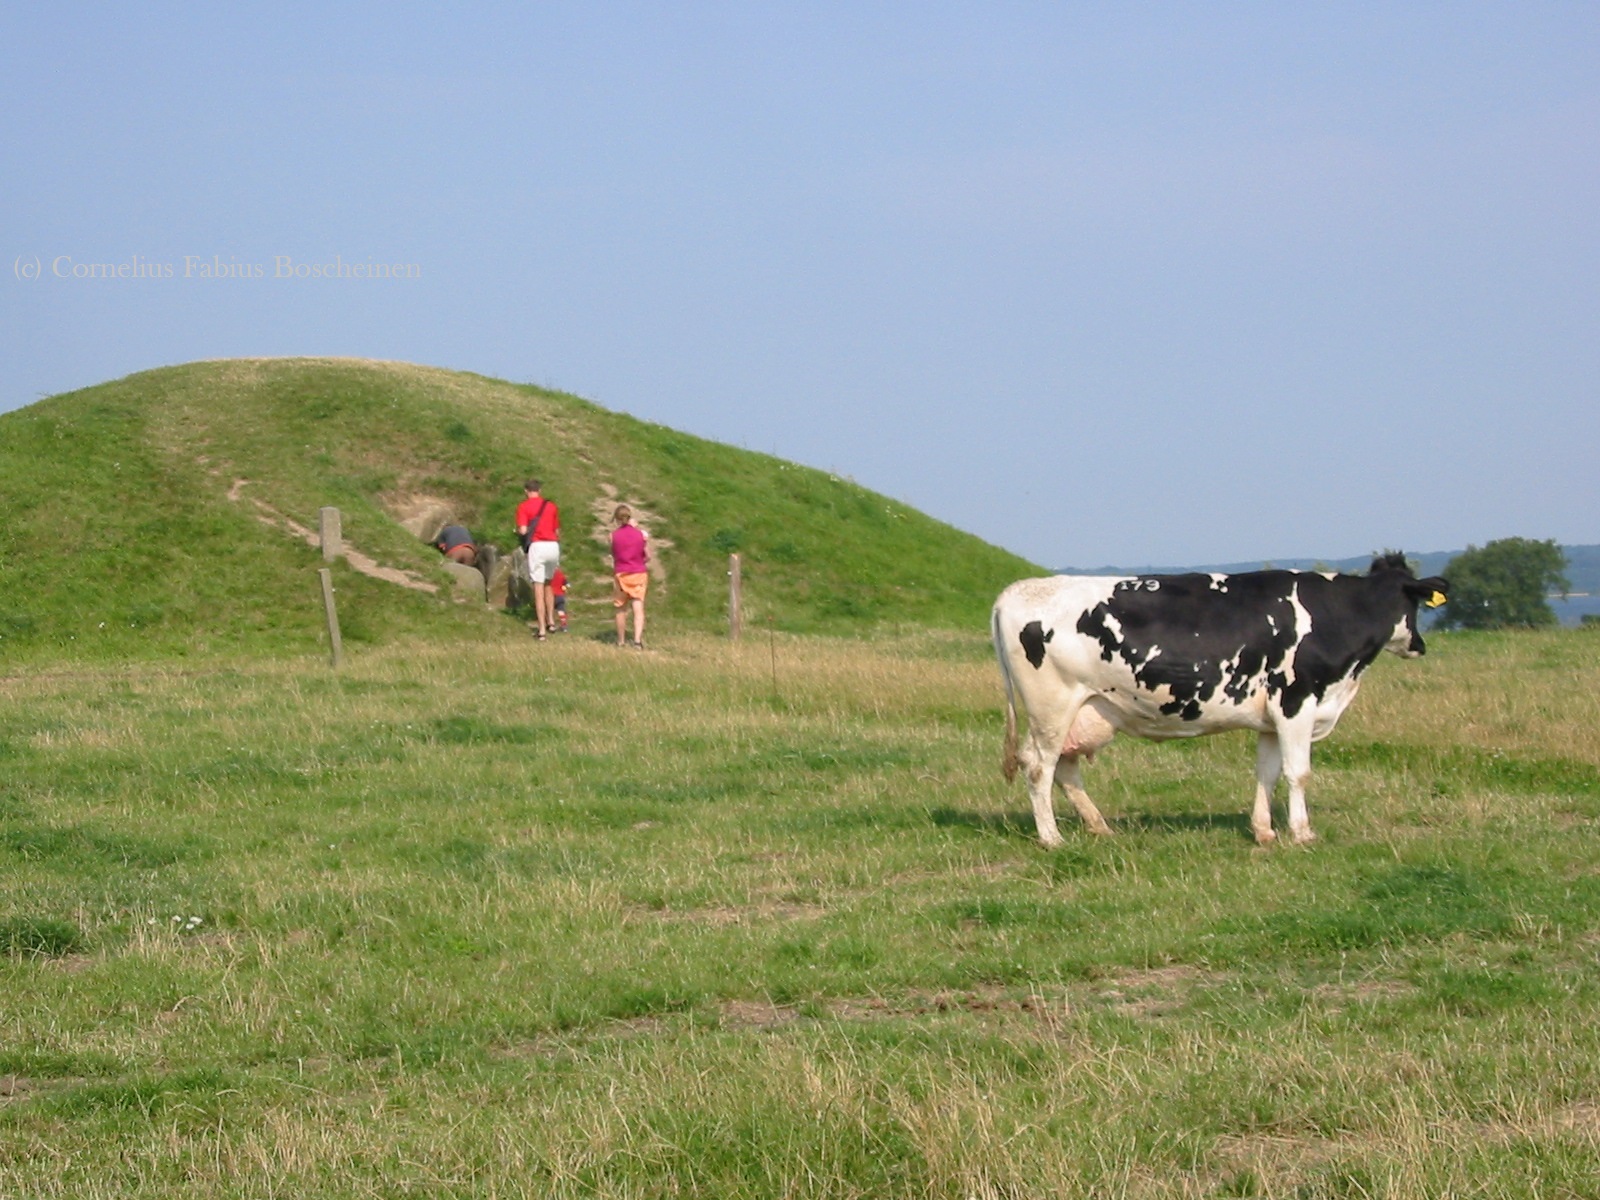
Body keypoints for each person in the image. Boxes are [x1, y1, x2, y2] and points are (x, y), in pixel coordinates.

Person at [514, 479, 561, 640]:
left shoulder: (523, 507)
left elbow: (523, 530)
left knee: (538, 586)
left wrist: (518, 532)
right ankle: (552, 622)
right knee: (549, 583)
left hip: (538, 546)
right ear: (539, 490)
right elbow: (557, 531)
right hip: (553, 546)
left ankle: (541, 629)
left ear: (526, 491)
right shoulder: (551, 506)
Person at [610, 504, 649, 648]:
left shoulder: (613, 536)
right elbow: (647, 555)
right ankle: (637, 641)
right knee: (638, 607)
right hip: (638, 572)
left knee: (620, 608)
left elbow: (613, 553)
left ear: (616, 519)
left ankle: (621, 641)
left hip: (621, 573)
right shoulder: (640, 534)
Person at [550, 567, 569, 632]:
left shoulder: (549, 574)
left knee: (549, 610)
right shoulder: (560, 573)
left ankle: (550, 625)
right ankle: (564, 626)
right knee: (561, 611)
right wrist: (565, 587)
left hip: (551, 595)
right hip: (560, 595)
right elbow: (567, 584)